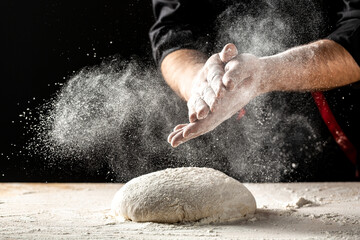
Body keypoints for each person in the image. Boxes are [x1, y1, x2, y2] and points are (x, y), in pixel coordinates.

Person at [149, 0, 360, 180]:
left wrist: (266, 73)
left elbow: (355, 31)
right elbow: (171, 34)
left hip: (330, 126)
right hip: (218, 125)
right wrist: (200, 83)